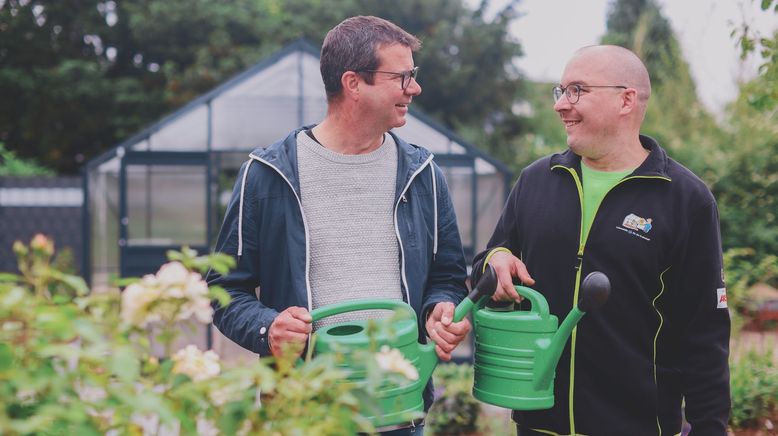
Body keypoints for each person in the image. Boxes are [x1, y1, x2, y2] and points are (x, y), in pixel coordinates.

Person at [207, 15, 471, 434]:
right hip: (305, 409)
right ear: (353, 83)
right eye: (402, 77)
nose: (414, 88)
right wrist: (268, 328)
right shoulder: (267, 173)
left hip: (398, 405)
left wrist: (440, 308)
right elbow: (223, 291)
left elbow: (449, 276)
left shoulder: (423, 173)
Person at [471, 45, 730, 435]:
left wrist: (710, 428)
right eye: (560, 91)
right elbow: (486, 265)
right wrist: (495, 260)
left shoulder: (684, 199)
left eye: (577, 90)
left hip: (637, 426)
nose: (561, 105)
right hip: (539, 424)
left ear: (626, 100)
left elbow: (704, 330)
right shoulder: (537, 181)